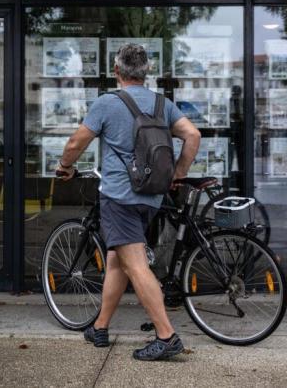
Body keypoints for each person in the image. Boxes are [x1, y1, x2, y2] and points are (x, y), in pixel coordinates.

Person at [56, 43, 201, 360]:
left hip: (120, 197)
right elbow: (193, 136)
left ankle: (166, 336)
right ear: (145, 71)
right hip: (151, 198)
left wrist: (64, 167)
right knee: (117, 260)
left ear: (116, 71)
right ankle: (101, 327)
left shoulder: (108, 103)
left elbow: (76, 142)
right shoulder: (162, 104)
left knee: (134, 264)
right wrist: (177, 173)